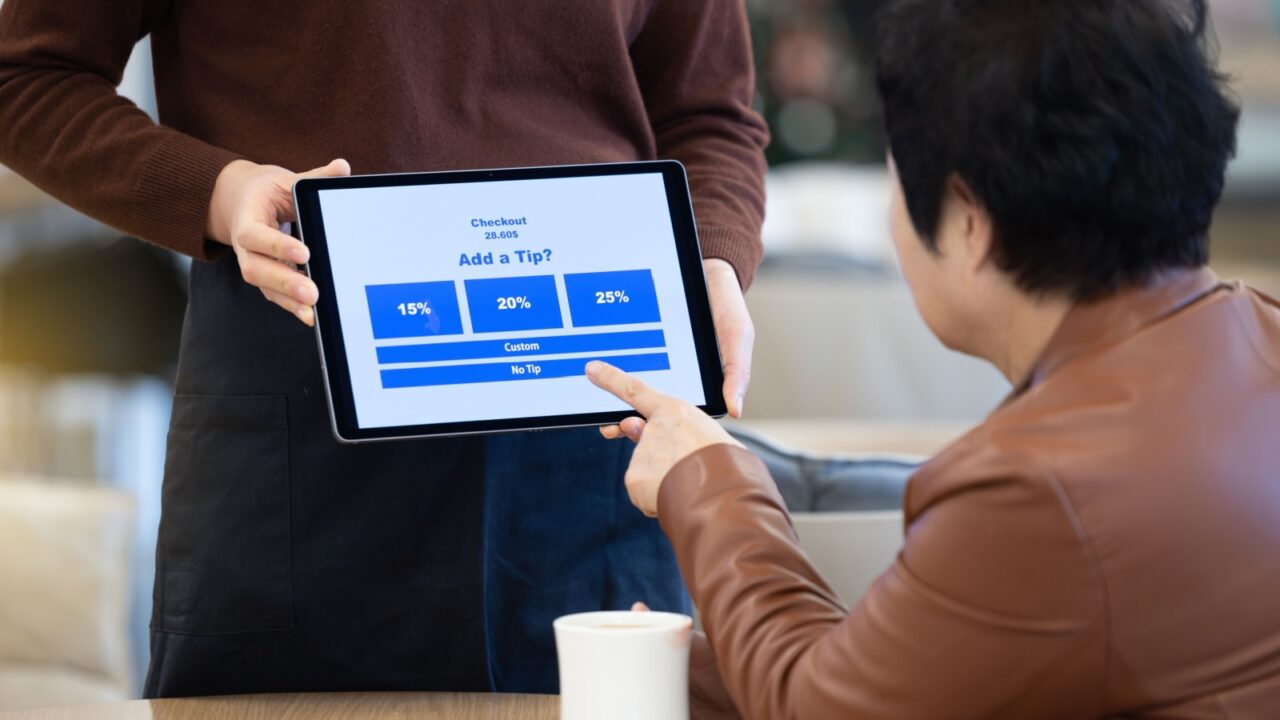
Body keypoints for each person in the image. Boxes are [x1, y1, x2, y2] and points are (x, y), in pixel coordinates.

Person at [0, 1, 767, 697]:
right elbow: (25, 80)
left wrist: (714, 260)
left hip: (596, 411)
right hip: (300, 396)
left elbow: (708, 112)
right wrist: (221, 191)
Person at [588, 0, 1280, 716]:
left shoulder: (1034, 489)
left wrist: (710, 481)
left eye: (897, 178)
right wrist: (701, 670)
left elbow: (822, 711)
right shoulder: (1262, 343)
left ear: (969, 221)